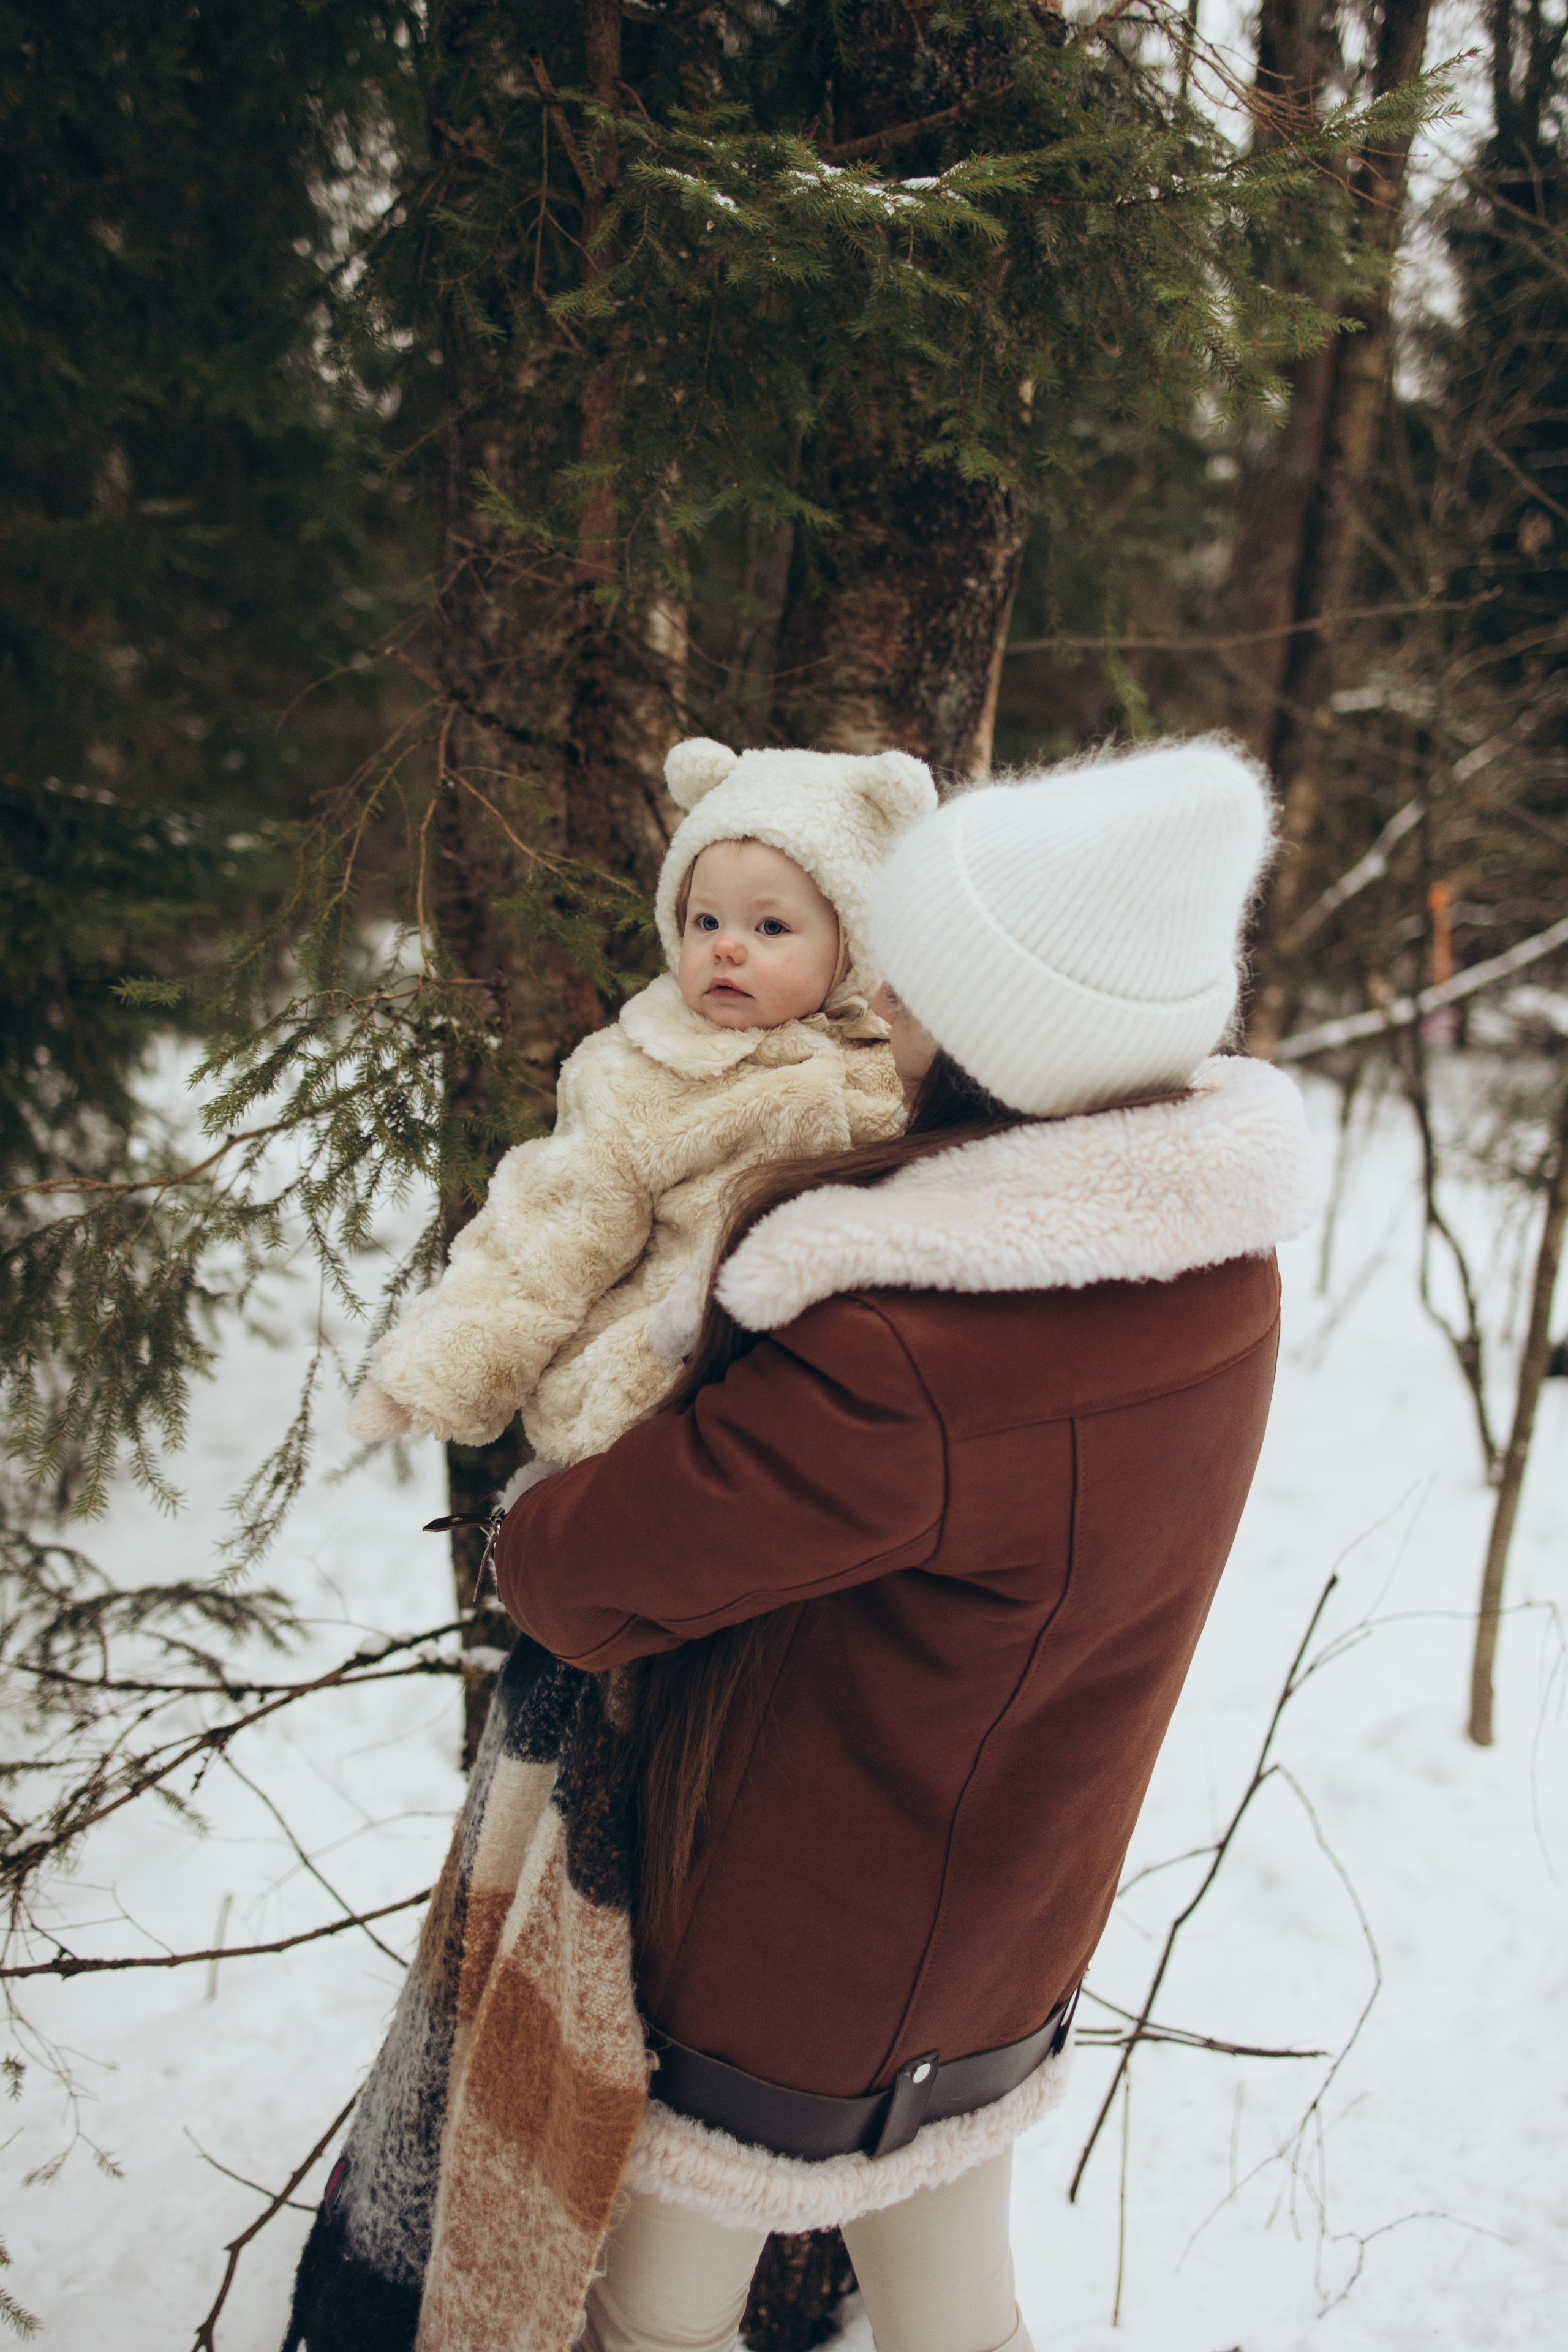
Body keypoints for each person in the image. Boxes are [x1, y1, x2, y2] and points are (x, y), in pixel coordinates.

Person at [491, 736, 1324, 2352]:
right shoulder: (1221, 1274)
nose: (879, 1004)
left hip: (800, 1969)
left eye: (923, 980)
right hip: (1011, 1926)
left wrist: (549, 1486)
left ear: (1011, 1036)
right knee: (957, 2311)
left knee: (651, 2320)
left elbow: (583, 1577)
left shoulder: (910, 1352)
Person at [346, 736, 935, 1468]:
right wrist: (441, 1372)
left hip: (842, 1388)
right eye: (706, 922)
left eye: (771, 928)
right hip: (656, 1388)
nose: (727, 948)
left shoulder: (895, 1058)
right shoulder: (644, 1072)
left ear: (856, 947)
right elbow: (550, 1232)